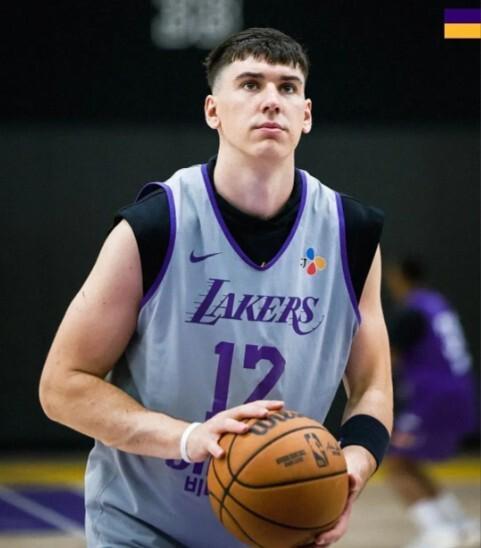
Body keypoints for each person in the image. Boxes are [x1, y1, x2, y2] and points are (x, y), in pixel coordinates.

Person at [39, 27, 392, 547]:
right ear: (213, 111)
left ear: (306, 115)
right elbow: (62, 385)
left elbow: (372, 386)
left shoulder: (351, 234)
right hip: (142, 525)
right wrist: (187, 438)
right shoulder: (155, 226)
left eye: (287, 87)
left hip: (275, 525)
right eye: (250, 84)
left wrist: (354, 464)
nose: (271, 100)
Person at [383, 256, 479, 548]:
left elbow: (388, 357)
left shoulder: (412, 312)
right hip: (458, 389)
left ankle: (439, 532)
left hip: (432, 396)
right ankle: (458, 524)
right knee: (408, 460)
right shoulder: (437, 304)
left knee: (395, 461)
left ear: (400, 277)